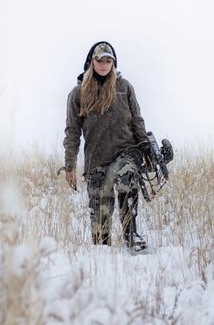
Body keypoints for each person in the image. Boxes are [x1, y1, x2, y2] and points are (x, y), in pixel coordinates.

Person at [63, 41, 149, 251]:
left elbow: (137, 120)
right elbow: (72, 131)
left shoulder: (124, 87)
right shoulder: (78, 93)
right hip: (96, 159)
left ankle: (131, 234)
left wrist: (146, 148)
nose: (103, 64)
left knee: (127, 175)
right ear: (91, 62)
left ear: (113, 63)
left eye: (108, 60)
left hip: (126, 151)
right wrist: (70, 165)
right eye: (99, 60)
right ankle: (102, 249)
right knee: (100, 221)